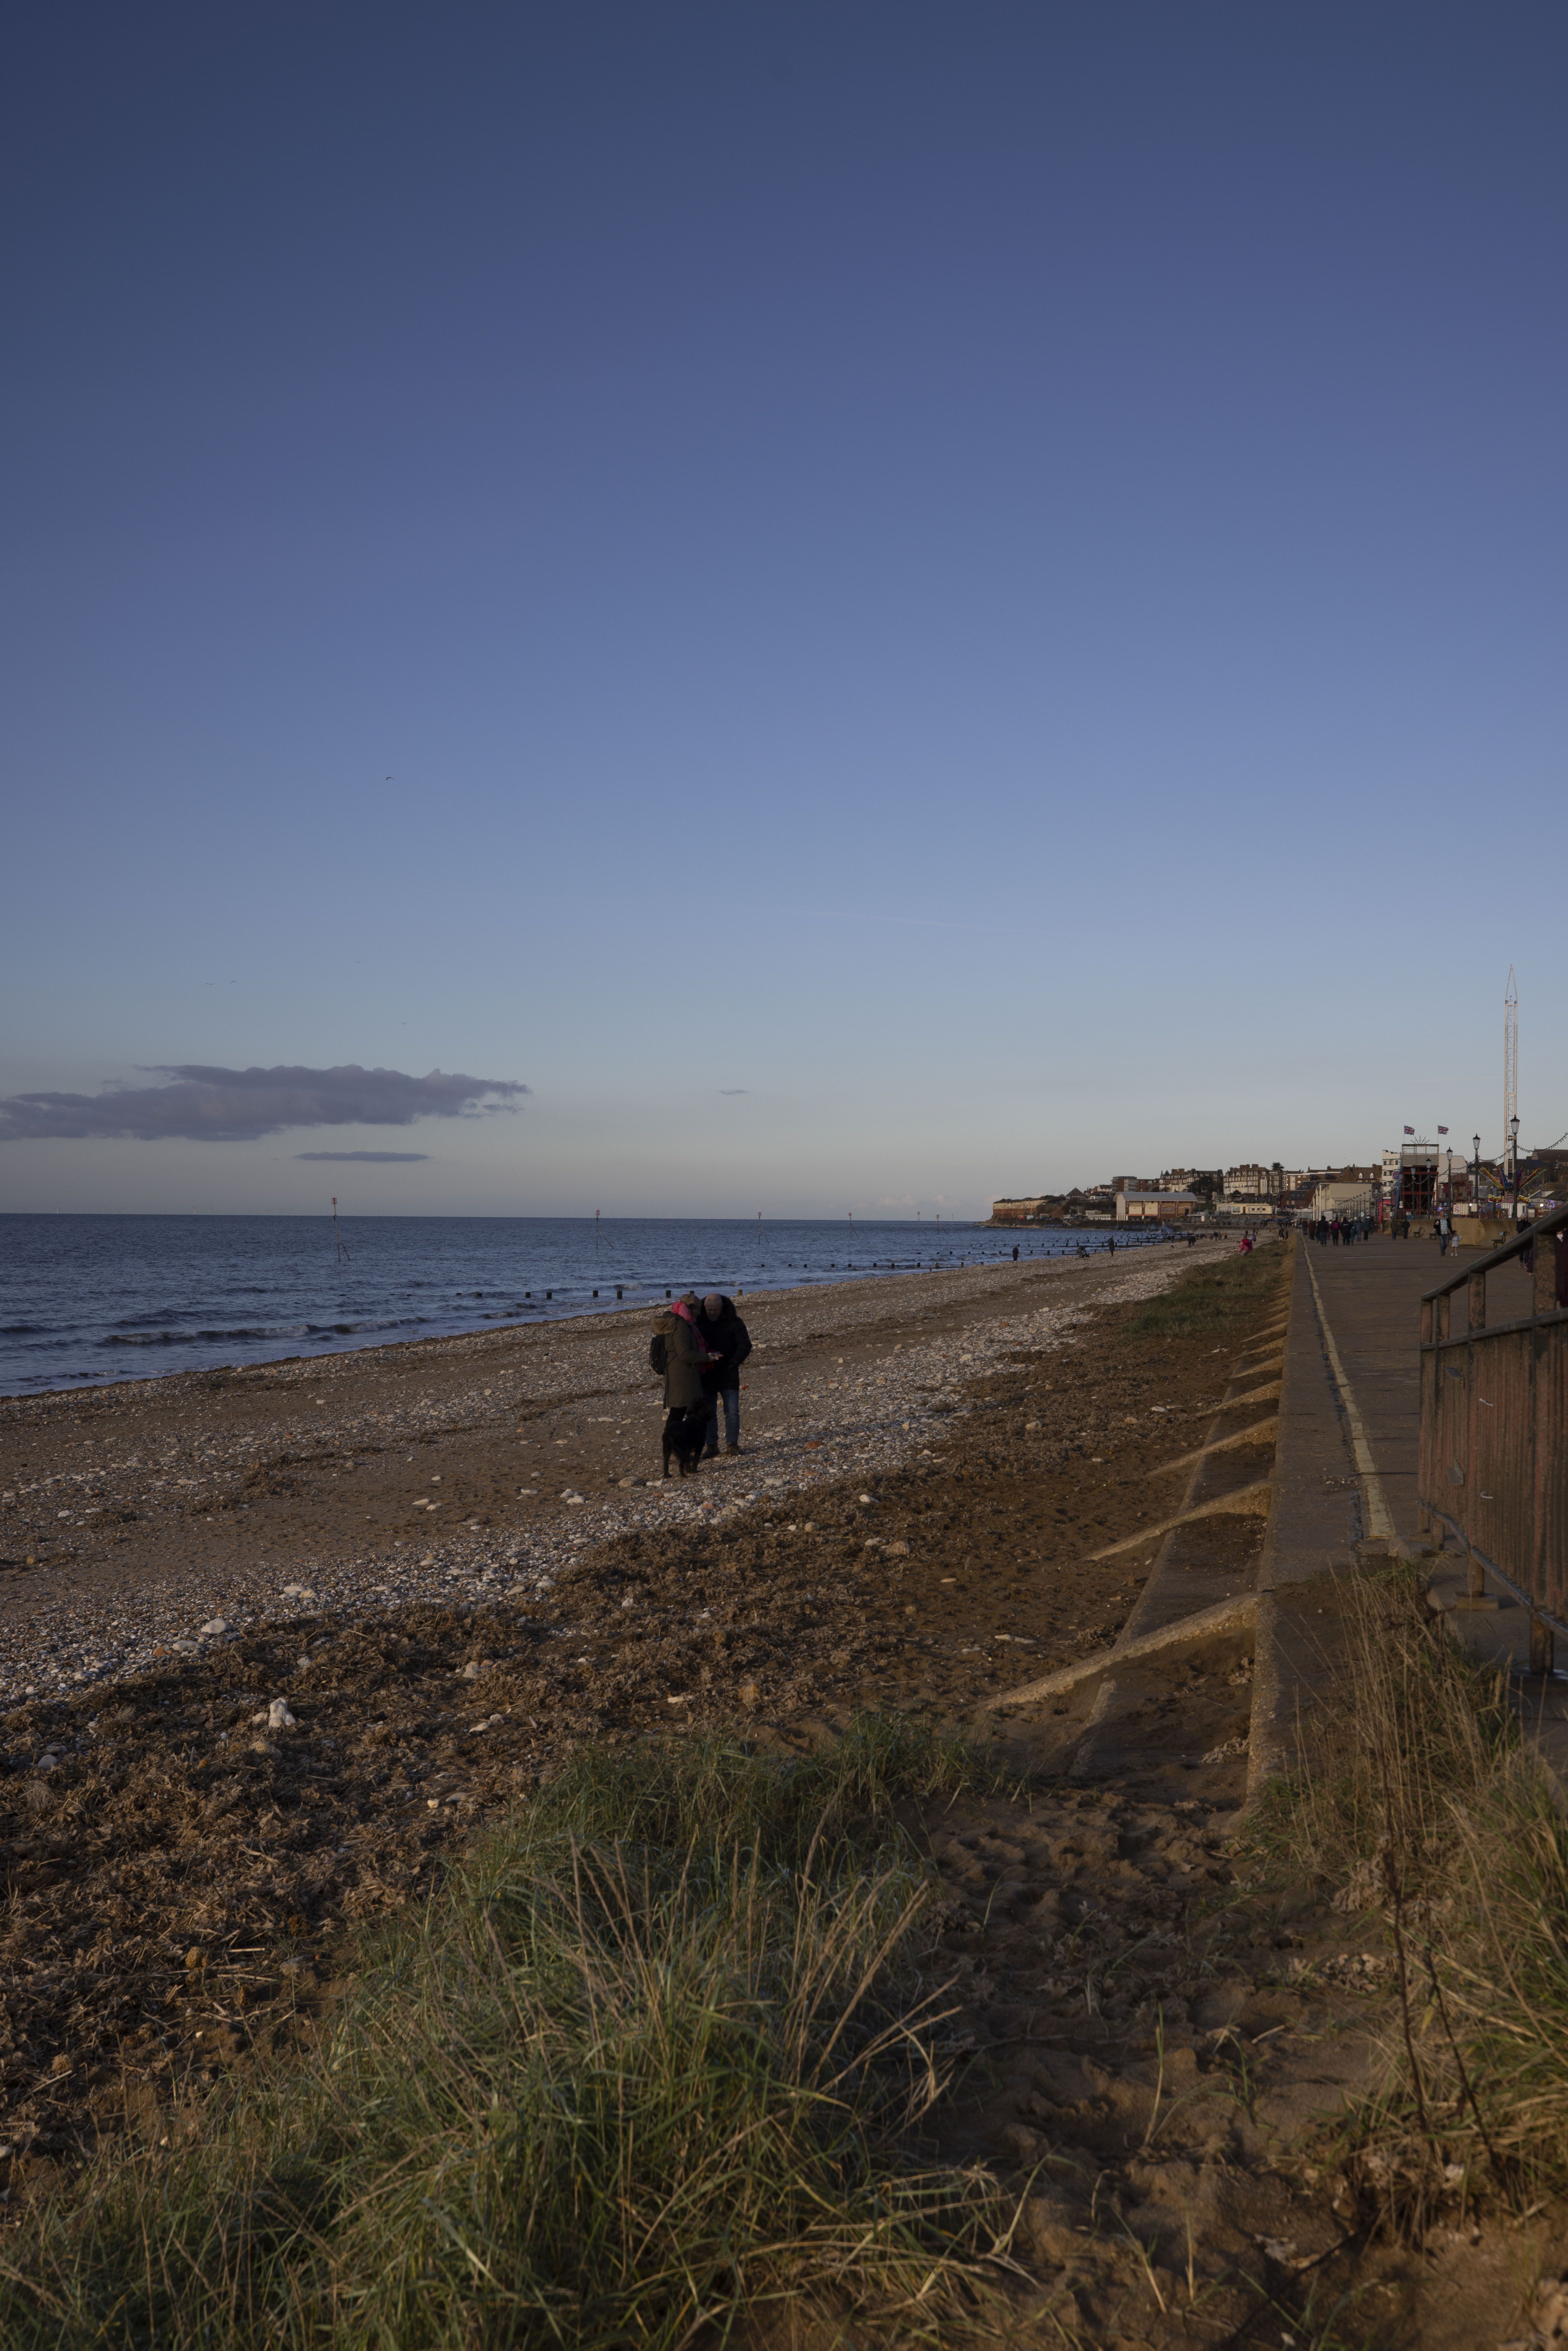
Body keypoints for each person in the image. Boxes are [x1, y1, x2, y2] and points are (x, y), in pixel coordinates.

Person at [651, 1290, 713, 1477]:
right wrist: (708, 1357)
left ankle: (675, 1453)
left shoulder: (677, 1321)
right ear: (691, 1310)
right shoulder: (680, 1325)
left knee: (679, 1413)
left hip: (680, 1375)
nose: (697, 1317)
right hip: (682, 1377)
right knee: (681, 1413)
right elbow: (685, 1354)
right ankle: (678, 1455)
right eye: (696, 1313)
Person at [696, 1290, 752, 1456]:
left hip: (729, 1372)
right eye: (710, 1310)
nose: (713, 1313)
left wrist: (736, 1360)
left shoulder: (735, 1322)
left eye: (716, 1310)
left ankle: (732, 1444)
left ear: (722, 1307)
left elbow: (745, 1345)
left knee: (733, 1411)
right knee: (709, 1412)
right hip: (706, 1374)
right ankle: (712, 1446)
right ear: (704, 1307)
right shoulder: (699, 1322)